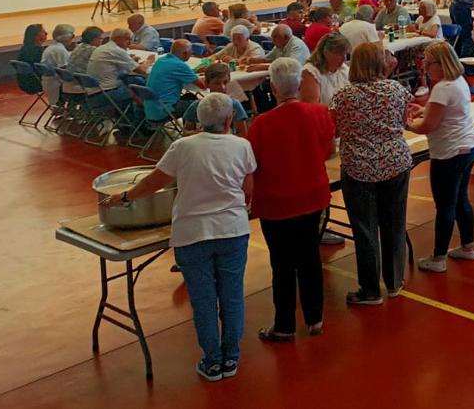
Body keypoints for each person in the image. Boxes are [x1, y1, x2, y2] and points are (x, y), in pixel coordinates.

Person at [99, 93, 255, 381]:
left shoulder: (183, 146)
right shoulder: (242, 145)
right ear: (229, 119)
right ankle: (231, 357)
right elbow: (248, 189)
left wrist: (123, 197)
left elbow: (153, 182)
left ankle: (212, 361)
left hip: (192, 234)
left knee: (203, 300)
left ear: (197, 121)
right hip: (232, 230)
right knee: (232, 297)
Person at [247, 59, 334, 342]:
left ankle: (284, 324)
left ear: (272, 87)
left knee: (282, 264)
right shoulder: (319, 113)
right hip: (313, 196)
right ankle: (315, 319)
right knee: (310, 258)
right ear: (298, 84)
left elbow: (253, 165)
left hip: (277, 203)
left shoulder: (261, 124)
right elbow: (329, 151)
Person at [330, 43, 413, 304]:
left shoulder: (343, 96)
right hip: (394, 163)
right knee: (394, 224)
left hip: (359, 168)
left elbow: (335, 130)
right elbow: (405, 121)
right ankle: (394, 281)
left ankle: (370, 289)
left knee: (365, 229)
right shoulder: (397, 90)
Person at [406, 42, 474, 272]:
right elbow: (440, 111)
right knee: (460, 198)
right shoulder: (457, 82)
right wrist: (424, 110)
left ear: (440, 64)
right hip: (469, 145)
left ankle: (438, 258)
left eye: (428, 64)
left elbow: (427, 126)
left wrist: (408, 123)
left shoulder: (442, 88)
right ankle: (469, 247)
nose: (425, 68)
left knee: (446, 204)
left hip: (450, 152)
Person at [87, 26, 154, 116]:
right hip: (105, 94)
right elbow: (142, 70)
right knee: (140, 90)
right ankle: (149, 117)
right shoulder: (116, 50)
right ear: (118, 39)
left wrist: (130, 60)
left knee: (134, 81)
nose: (130, 43)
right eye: (128, 40)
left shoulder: (104, 48)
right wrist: (149, 61)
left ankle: (129, 122)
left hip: (94, 93)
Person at [182, 63, 251, 136]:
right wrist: (201, 134)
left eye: (225, 82)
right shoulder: (197, 106)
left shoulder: (234, 104)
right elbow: (186, 133)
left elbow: (243, 133)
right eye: (217, 83)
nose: (222, 87)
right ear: (206, 83)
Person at [145, 39, 205, 122]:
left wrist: (194, 72)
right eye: (191, 51)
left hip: (151, 109)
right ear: (185, 53)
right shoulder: (180, 65)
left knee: (190, 97)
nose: (192, 53)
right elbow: (203, 86)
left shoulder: (161, 60)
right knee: (201, 105)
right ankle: (191, 130)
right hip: (165, 111)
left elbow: (176, 74)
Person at [301, 33, 351, 107]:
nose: (344, 58)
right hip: (322, 117)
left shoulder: (344, 69)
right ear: (326, 52)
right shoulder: (310, 72)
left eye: (345, 54)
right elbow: (312, 106)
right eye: (340, 54)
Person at [245, 24, 310, 68]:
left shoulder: (297, 46)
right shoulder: (280, 45)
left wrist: (262, 67)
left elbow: (289, 66)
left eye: (275, 37)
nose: (273, 41)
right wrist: (251, 60)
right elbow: (267, 59)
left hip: (300, 80)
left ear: (286, 37)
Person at [41, 24, 75, 105]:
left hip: (48, 83)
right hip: (57, 86)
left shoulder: (51, 47)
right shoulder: (60, 50)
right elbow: (64, 71)